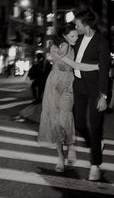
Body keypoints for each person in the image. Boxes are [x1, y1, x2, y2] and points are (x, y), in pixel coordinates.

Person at [38, 22, 99, 173]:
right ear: (64, 36)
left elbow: (80, 62)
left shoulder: (76, 46)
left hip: (68, 86)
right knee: (55, 122)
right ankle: (60, 157)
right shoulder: (55, 48)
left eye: (76, 36)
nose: (75, 38)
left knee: (64, 118)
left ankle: (71, 145)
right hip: (53, 85)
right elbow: (71, 65)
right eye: (72, 36)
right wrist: (98, 66)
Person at [72, 7, 109, 181]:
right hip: (79, 86)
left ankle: (95, 165)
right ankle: (95, 144)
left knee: (95, 127)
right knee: (79, 124)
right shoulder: (78, 39)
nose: (75, 26)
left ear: (85, 25)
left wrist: (103, 96)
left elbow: (104, 70)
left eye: (77, 24)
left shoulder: (101, 42)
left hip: (95, 89)